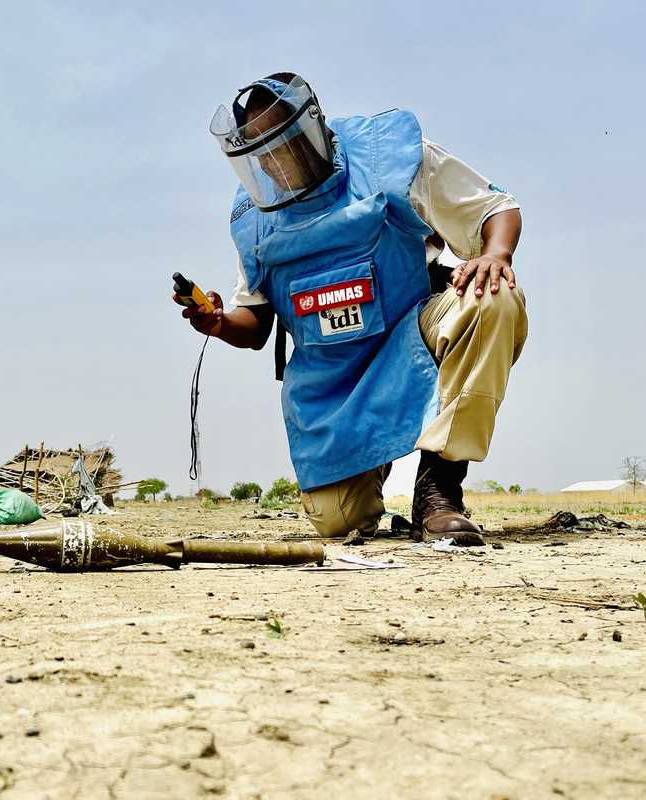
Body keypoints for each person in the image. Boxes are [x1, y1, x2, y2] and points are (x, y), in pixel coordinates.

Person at [176, 72, 527, 545]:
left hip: (412, 338)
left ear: (312, 126)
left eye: (284, 142)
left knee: (494, 297)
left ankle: (438, 488)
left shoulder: (390, 158)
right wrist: (217, 322)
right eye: (262, 153)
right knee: (337, 522)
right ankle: (371, 458)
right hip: (334, 388)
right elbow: (256, 323)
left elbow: (495, 208)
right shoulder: (253, 221)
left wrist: (495, 254)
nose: (276, 161)